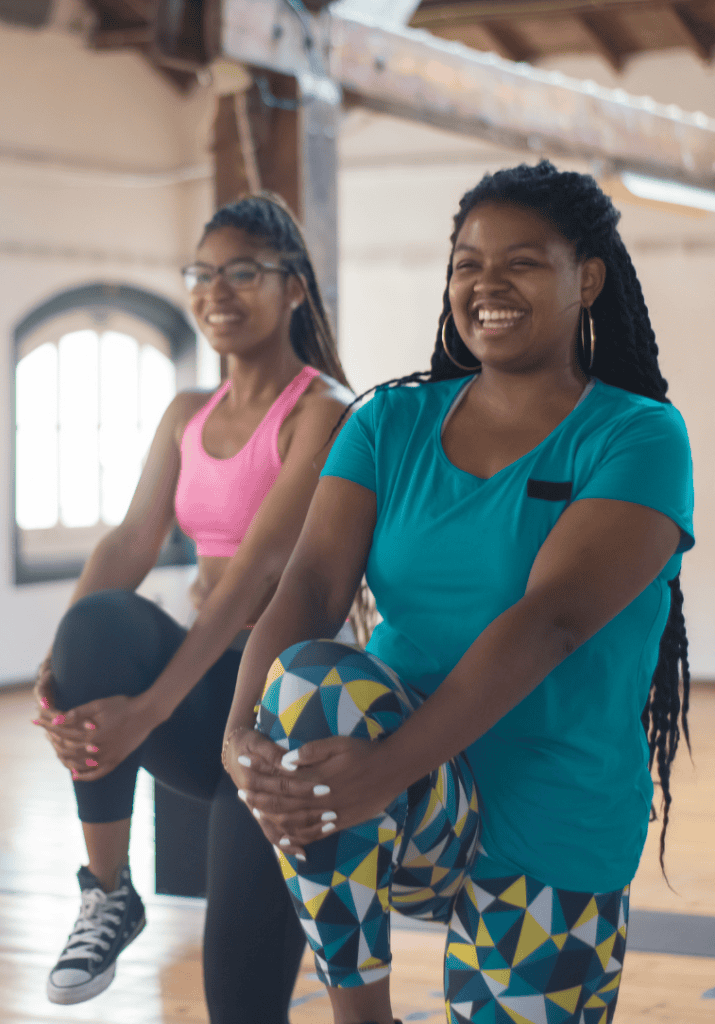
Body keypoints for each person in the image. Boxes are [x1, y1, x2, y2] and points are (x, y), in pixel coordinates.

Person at [222, 162, 694, 1024]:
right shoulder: (385, 424)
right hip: (410, 805)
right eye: (467, 263)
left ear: (586, 279)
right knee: (310, 685)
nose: (486, 285)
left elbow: (550, 622)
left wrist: (382, 770)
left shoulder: (638, 437)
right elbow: (313, 583)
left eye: (521, 263)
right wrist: (237, 732)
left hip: (550, 816)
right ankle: (361, 1016)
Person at [32, 193, 354, 1022]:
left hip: (283, 720)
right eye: (202, 274)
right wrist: (59, 671)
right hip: (209, 698)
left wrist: (146, 712)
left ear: (293, 287)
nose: (217, 291)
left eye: (242, 272)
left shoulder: (323, 412)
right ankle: (107, 890)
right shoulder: (187, 413)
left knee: (237, 1002)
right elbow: (128, 543)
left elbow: (256, 573)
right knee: (97, 621)